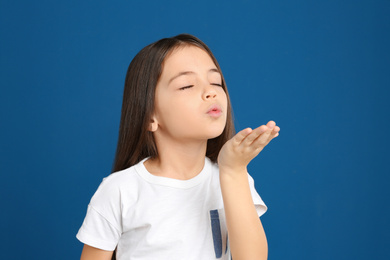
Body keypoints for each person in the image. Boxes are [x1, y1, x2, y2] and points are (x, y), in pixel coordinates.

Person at [76, 34, 280, 260]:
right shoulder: (120, 191)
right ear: (149, 116)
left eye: (216, 82)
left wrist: (234, 171)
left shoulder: (233, 177)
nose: (211, 92)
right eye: (187, 85)